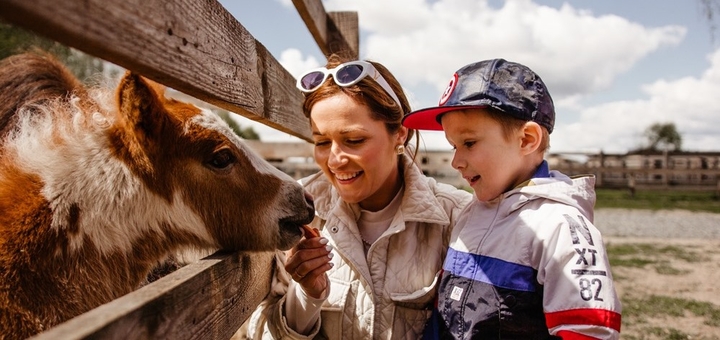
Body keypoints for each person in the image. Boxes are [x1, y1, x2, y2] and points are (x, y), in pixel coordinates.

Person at [239, 54, 473, 339]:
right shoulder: (291, 214)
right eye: (322, 142)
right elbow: (259, 329)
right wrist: (307, 296)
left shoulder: (456, 217)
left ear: (400, 133)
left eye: (354, 141)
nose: (335, 161)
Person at [402, 58, 622, 339]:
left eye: (469, 143)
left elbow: (588, 330)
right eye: (453, 146)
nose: (456, 161)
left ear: (527, 139)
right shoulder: (472, 214)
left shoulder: (559, 227)